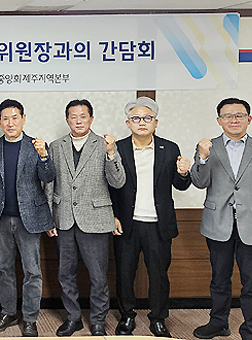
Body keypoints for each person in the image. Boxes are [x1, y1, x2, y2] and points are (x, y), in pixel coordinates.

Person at [191, 98, 252, 340]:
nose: (234, 119)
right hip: (217, 224)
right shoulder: (207, 147)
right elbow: (199, 182)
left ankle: (251, 331)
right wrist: (202, 158)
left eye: (239, 115)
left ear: (249, 119)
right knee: (219, 280)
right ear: (219, 120)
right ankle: (218, 323)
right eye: (227, 115)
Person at [109, 97, 191, 338]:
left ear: (156, 122)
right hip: (127, 223)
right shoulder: (118, 148)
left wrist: (183, 173)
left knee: (159, 275)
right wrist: (112, 216)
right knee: (125, 273)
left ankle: (158, 319)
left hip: (158, 224)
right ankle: (127, 316)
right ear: (128, 123)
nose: (142, 122)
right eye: (136, 118)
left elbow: (180, 185)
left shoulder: (170, 148)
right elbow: (109, 185)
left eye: (147, 118)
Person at [49, 99, 126, 337]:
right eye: (73, 116)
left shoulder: (104, 145)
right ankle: (73, 318)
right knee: (65, 273)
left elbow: (118, 182)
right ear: (67, 120)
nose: (78, 121)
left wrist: (112, 154)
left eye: (83, 116)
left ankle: (98, 321)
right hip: (64, 218)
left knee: (98, 275)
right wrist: (49, 217)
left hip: (95, 218)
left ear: (91, 119)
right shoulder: (56, 146)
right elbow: (49, 183)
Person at [0, 99, 56, 337]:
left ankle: (30, 318)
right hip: (1, 220)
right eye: (5, 118)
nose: (10, 123)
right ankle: (8, 313)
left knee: (32, 271)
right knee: (4, 268)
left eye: (15, 117)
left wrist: (44, 156)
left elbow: (48, 177)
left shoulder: (36, 145)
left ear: (24, 119)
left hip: (30, 219)